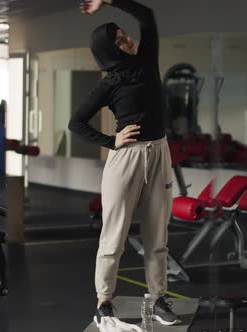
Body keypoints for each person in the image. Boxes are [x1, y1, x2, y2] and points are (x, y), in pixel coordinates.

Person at [68, 0, 181, 327]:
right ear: (109, 50)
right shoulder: (110, 83)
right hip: (126, 158)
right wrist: (111, 141)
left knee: (157, 235)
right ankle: (104, 302)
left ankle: (159, 298)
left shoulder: (147, 60)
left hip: (159, 152)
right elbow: (77, 123)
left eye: (124, 35)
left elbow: (147, 15)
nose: (127, 40)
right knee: (113, 237)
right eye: (118, 41)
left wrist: (107, 1)